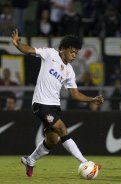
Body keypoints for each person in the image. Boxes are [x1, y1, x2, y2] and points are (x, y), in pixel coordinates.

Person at [11, 29, 104, 177]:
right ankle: (85, 162)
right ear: (63, 49)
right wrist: (18, 44)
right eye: (72, 52)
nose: (74, 55)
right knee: (62, 129)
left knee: (52, 141)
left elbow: (75, 94)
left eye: (76, 53)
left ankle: (30, 160)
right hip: (41, 103)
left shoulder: (69, 71)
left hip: (54, 106)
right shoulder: (50, 54)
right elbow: (30, 50)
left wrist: (91, 99)